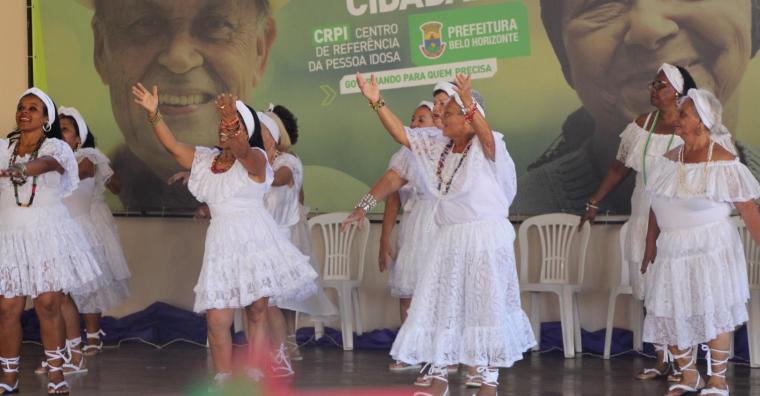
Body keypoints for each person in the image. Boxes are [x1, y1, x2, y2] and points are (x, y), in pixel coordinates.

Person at [343, 73, 536, 396]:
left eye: (446, 112)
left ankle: (488, 379)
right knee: (440, 305)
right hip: (449, 237)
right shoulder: (439, 145)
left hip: (484, 238)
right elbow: (403, 137)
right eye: (439, 112)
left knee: (485, 307)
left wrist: (470, 102)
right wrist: (376, 101)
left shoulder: (490, 144)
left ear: (469, 117)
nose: (439, 117)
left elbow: (485, 139)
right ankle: (439, 379)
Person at [515, 0, 760, 214]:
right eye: (603, 2)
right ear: (562, 51)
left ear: (753, 17)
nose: (649, 27)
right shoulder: (511, 212)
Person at [82, 0, 280, 212]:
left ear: (261, 49)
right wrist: (153, 112)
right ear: (101, 49)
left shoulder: (260, 165)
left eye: (215, 24)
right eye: (146, 23)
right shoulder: (206, 162)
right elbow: (174, 146)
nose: (179, 58)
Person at [580, 64, 696, 381]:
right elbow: (619, 169)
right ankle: (662, 358)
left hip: (676, 217)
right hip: (644, 211)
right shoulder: (640, 126)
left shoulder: (690, 126)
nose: (654, 91)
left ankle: (685, 363)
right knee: (649, 288)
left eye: (661, 85)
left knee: (677, 288)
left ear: (678, 91)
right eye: (653, 84)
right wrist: (594, 201)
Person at [641, 88, 760, 396]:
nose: (676, 118)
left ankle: (718, 379)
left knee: (714, 308)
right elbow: (656, 205)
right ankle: (689, 375)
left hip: (712, 248)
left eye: (683, 114)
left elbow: (750, 213)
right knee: (669, 310)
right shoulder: (666, 162)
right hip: (671, 249)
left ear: (702, 122)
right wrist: (650, 245)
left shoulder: (725, 162)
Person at [0, 88, 103, 395]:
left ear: (46, 118)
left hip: (47, 233)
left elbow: (46, 164)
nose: (25, 112)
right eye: (21, 107)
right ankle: (9, 376)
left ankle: (57, 372)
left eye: (33, 108)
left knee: (47, 304)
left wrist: (22, 168)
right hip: (10, 236)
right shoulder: (4, 148)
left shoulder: (57, 146)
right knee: (7, 309)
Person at [261, 105, 338, 365]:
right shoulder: (259, 161)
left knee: (284, 294)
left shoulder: (288, 161)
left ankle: (286, 344)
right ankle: (274, 347)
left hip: (285, 233)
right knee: (270, 296)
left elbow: (283, 180)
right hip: (262, 236)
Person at [58, 107, 131, 357]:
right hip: (61, 225)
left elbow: (96, 177)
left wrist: (107, 177)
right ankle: (66, 345)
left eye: (65, 129)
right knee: (64, 289)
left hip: (89, 218)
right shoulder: (48, 159)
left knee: (90, 283)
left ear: (79, 138)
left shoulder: (89, 156)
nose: (59, 133)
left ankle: (91, 336)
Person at [381, 101, 434, 374]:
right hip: (411, 228)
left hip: (436, 226)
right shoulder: (402, 155)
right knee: (407, 292)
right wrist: (384, 240)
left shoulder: (443, 151)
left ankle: (439, 355)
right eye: (413, 119)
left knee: (435, 294)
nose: (414, 124)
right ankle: (411, 352)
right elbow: (392, 202)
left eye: (422, 119)